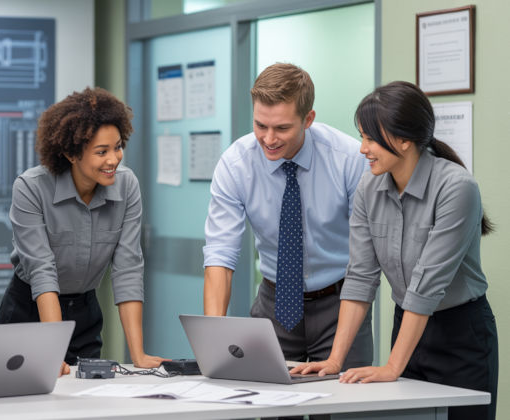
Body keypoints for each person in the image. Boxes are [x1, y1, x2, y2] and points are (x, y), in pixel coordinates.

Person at [292, 81, 498, 420]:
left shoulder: (457, 188)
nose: (362, 149)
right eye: (361, 136)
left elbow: (426, 287)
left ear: (404, 140)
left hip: (462, 335)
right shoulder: (368, 187)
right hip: (408, 327)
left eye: (371, 138)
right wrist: (334, 360)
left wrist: (391, 367)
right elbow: (360, 277)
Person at [203, 63, 373, 368]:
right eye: (260, 126)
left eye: (282, 128)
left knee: (341, 407)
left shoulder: (348, 160)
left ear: (308, 119)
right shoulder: (235, 164)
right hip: (274, 302)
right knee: (269, 404)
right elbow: (220, 254)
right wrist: (215, 335)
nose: (269, 139)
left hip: (340, 303)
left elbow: (366, 255)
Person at [0, 87, 167, 375]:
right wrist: (53, 349)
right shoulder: (31, 187)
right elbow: (42, 272)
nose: (113, 159)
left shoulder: (127, 186)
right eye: (101, 152)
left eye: (117, 147)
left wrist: (137, 354)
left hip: (84, 312)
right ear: (71, 153)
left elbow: (127, 267)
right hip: (30, 309)